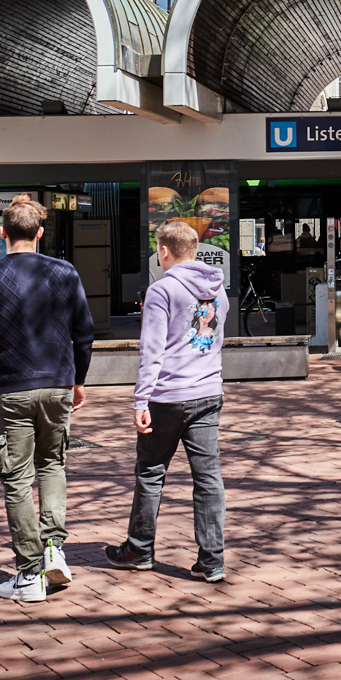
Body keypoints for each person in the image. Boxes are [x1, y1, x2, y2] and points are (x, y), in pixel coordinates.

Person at [0, 195, 95, 604]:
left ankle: (29, 573)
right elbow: (84, 332)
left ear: (2, 233)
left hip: (13, 388)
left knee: (16, 479)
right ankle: (54, 549)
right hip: (57, 384)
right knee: (53, 464)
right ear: (40, 232)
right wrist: (78, 380)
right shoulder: (65, 272)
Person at [105, 217, 228, 581]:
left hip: (167, 396)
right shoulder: (217, 290)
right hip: (208, 391)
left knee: (151, 472)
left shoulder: (162, 291)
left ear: (164, 251)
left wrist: (140, 399)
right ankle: (212, 560)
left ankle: (140, 549)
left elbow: (152, 350)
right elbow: (214, 341)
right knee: (208, 478)